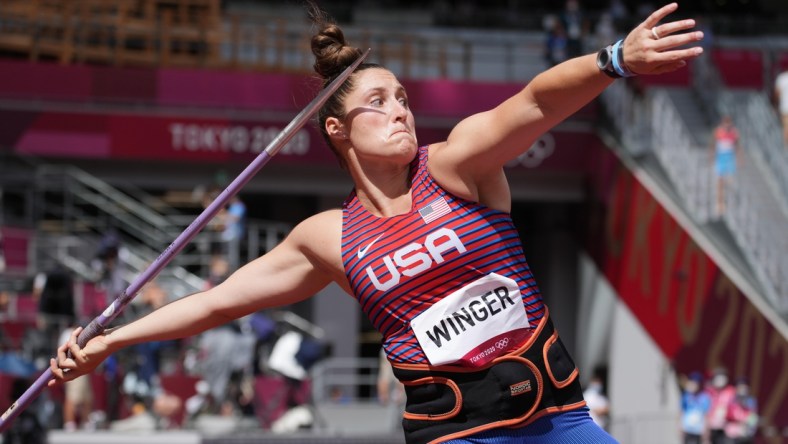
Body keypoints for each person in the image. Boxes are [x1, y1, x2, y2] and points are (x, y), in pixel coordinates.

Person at [49, 2, 703, 442]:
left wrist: (613, 59)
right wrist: (107, 343)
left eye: (404, 99)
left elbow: (533, 100)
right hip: (456, 433)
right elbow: (216, 303)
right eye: (378, 102)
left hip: (558, 420)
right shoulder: (329, 237)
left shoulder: (455, 166)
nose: (400, 112)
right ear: (336, 130)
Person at [709, 115, 741, 216]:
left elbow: (737, 146)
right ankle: (720, 203)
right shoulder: (718, 131)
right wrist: (711, 156)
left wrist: (739, 158)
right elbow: (713, 144)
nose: (727, 126)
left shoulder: (734, 133)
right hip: (721, 158)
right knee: (720, 182)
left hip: (729, 158)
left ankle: (730, 201)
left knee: (730, 181)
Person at [706, 366, 736, 444]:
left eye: (723, 378)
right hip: (710, 426)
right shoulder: (709, 391)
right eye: (718, 378)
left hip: (725, 428)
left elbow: (735, 409)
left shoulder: (731, 392)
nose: (720, 381)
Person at [724, 377, 758, 444]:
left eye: (745, 387)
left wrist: (747, 427)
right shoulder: (730, 400)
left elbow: (753, 418)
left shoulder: (751, 401)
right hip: (732, 434)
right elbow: (727, 416)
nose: (743, 390)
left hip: (746, 434)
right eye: (740, 387)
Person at [680, 371, 711, 444]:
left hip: (699, 430)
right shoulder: (686, 396)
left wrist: (706, 430)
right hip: (687, 429)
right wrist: (680, 426)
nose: (693, 385)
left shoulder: (704, 398)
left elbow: (706, 415)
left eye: (696, 383)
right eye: (692, 382)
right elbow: (681, 412)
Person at [774, 68, 788, 146]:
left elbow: (777, 94)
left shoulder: (782, 78)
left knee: (786, 129)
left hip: (785, 108)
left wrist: (775, 105)